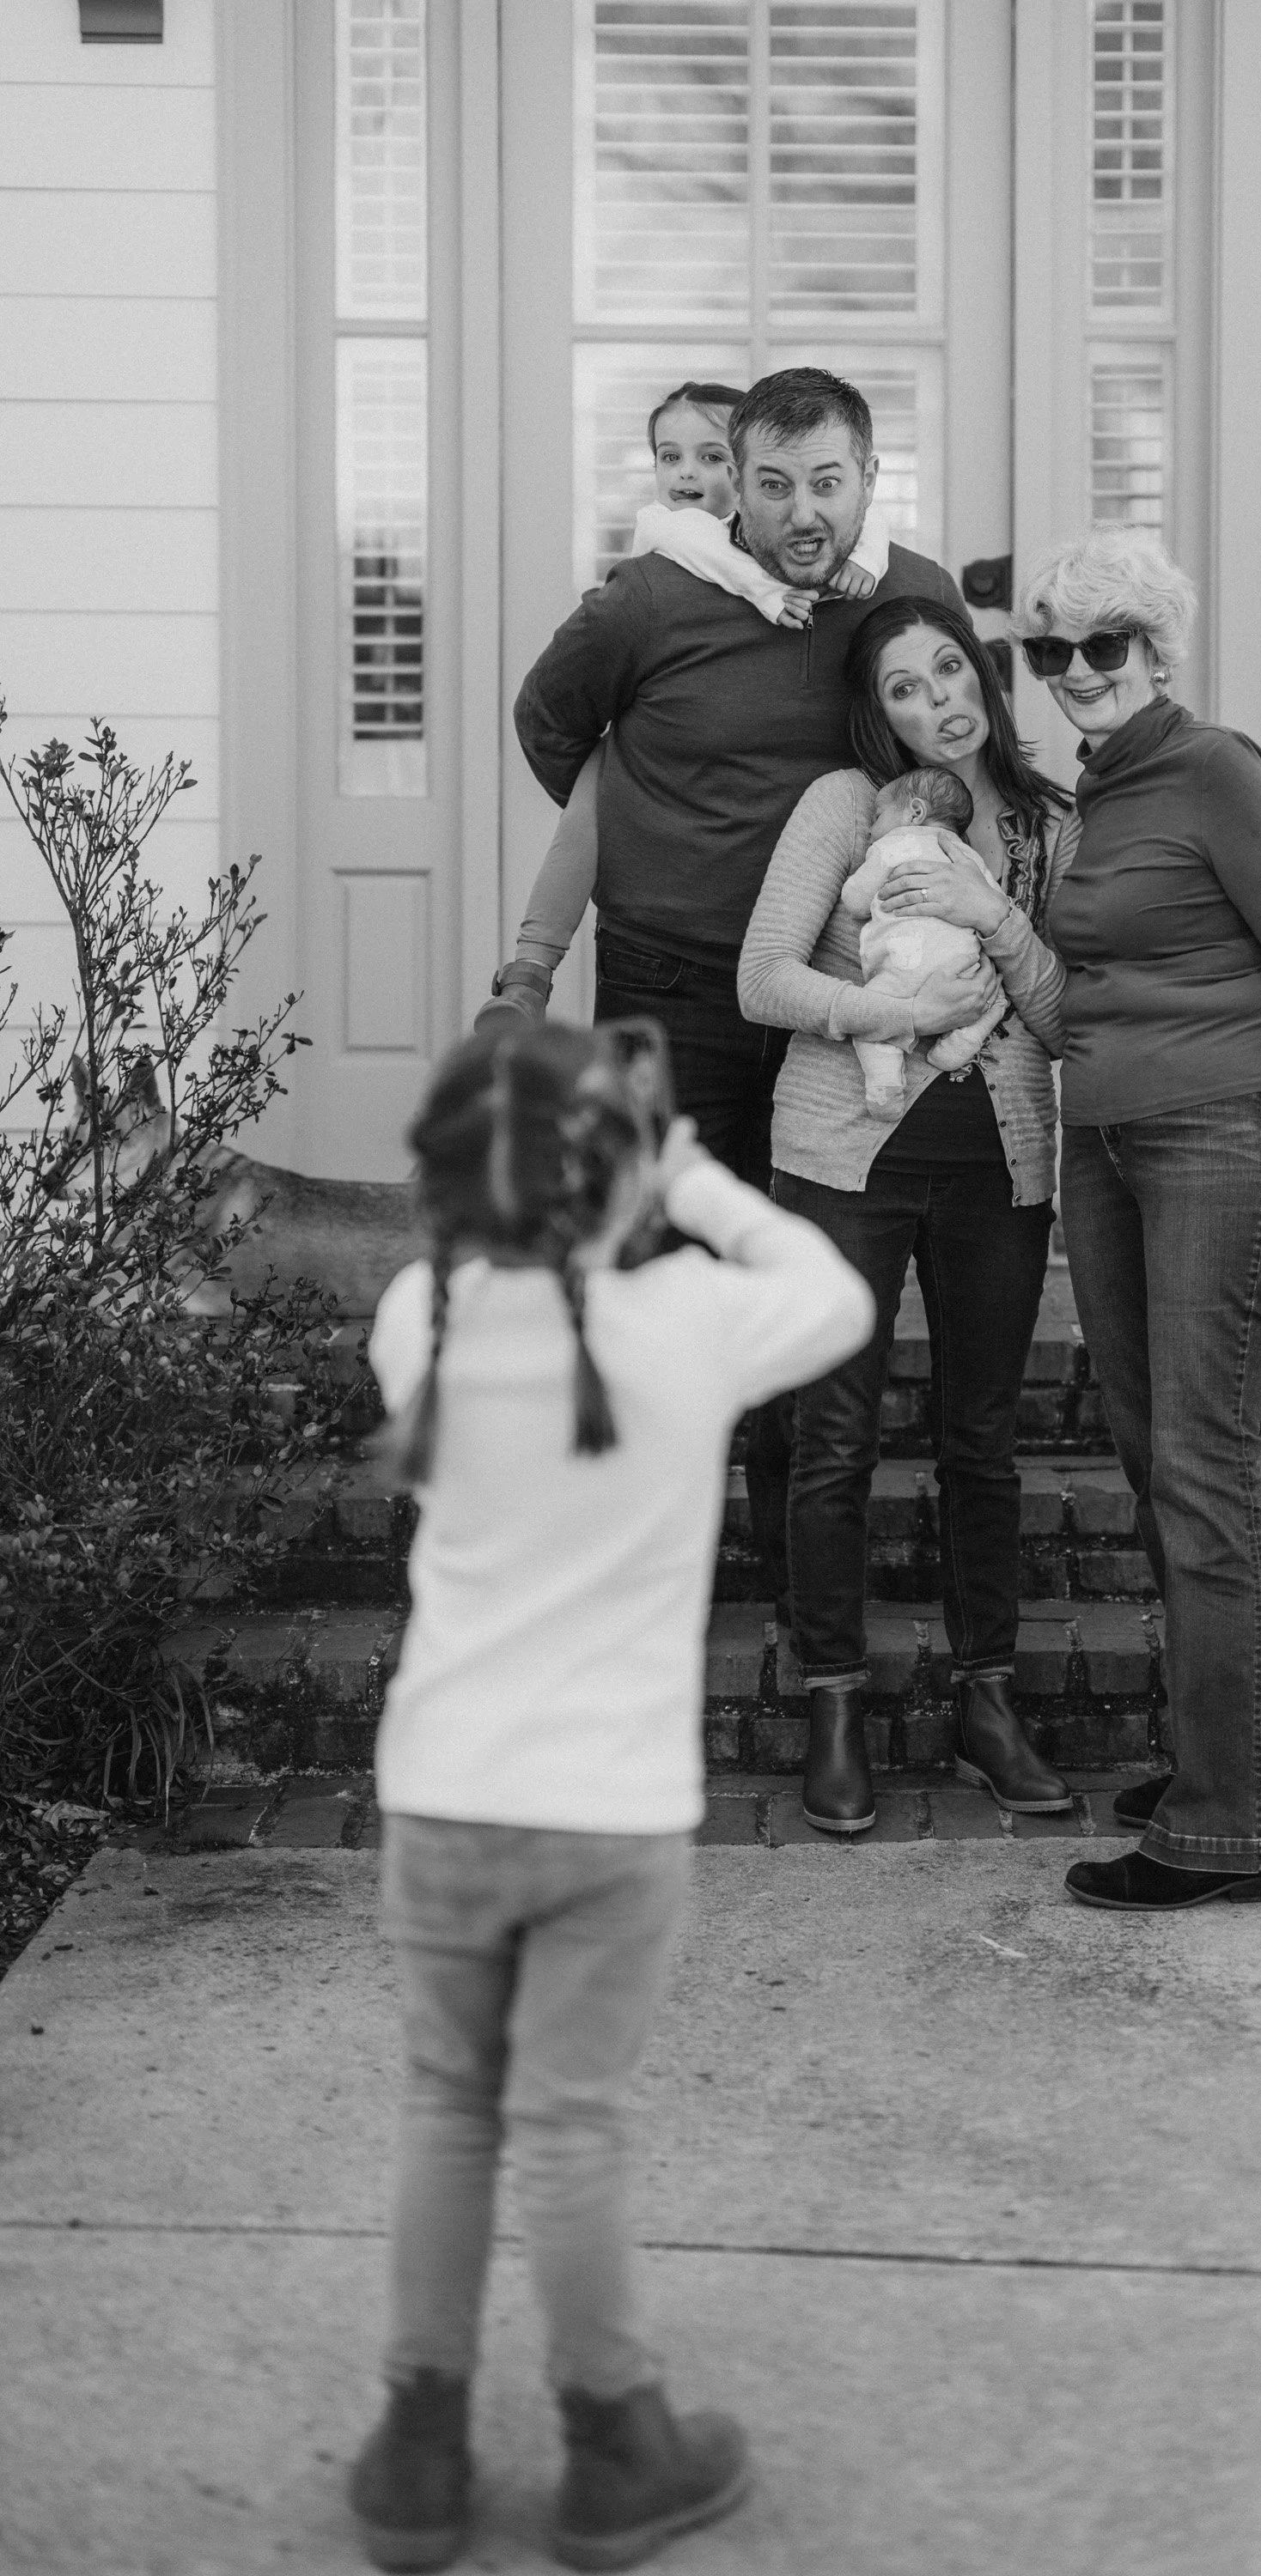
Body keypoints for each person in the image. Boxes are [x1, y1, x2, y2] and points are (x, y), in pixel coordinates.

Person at [347, 1018, 873, 2573]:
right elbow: (836, 1293)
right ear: (619, 1174)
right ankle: (612, 2443)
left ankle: (417, 2452)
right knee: (570, 2125)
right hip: (609, 1819)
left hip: (442, 1794)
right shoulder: (693, 1322)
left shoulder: (419, 1317)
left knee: (448, 2106)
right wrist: (692, 1177)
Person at [512, 367, 961, 1619]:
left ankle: (782, 1557)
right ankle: (651, 1556)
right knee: (655, 1265)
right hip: (670, 990)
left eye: (826, 482)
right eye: (773, 485)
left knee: (798, 1269)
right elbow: (550, 725)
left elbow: (952, 746)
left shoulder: (911, 598)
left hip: (830, 996)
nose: (801, 512)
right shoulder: (651, 599)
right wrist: (662, 832)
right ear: (737, 490)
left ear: (868, 480)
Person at [1008, 525, 1261, 1916]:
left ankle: (1226, 1828)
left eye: (1102, 643)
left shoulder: (1215, 769)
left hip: (1219, 1139)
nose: (1074, 669)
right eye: (1051, 648)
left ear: (1156, 651)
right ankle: (1253, 1748)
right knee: (1160, 1457)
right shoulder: (1098, 790)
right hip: (1105, 1146)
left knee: (1206, 1467)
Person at [738, 597, 1077, 1834]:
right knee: (832, 1435)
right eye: (902, 686)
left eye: (949, 670)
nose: (937, 700)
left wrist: (994, 918)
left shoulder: (1047, 825)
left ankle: (988, 1702)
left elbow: (1065, 1019)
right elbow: (762, 978)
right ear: (876, 711)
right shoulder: (847, 806)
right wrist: (896, 1018)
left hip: (999, 1166)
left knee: (980, 1442)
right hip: (844, 1159)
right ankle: (834, 1700)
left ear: (981, 674)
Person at [482, 380, 889, 1030]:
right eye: (669, 457)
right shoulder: (659, 564)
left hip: (839, 959)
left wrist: (861, 558)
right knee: (586, 821)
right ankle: (530, 972)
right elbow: (548, 718)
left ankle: (531, 968)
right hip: (668, 963)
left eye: (709, 457)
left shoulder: (898, 578)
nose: (687, 475)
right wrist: (645, 818)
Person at [838, 764, 1009, 1112]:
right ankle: (961, 1042)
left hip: (903, 967)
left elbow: (855, 902)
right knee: (996, 999)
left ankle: (885, 1086)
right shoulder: (968, 856)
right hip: (962, 967)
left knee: (871, 1019)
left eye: (878, 816)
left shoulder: (892, 845)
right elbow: (997, 905)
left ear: (915, 812)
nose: (871, 828)